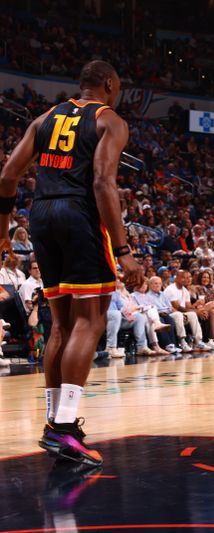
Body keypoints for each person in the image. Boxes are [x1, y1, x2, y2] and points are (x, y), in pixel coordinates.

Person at [0, 60, 143, 466]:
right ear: (111, 85)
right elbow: (102, 180)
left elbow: (8, 175)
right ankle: (63, 429)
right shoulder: (109, 120)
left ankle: (57, 422)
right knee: (91, 321)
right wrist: (123, 248)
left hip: (41, 215)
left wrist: (2, 231)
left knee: (60, 323)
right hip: (78, 215)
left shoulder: (44, 118)